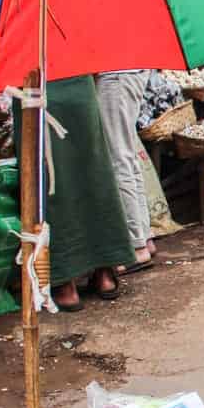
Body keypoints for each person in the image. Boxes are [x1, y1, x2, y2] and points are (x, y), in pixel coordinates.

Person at [15, 78, 133, 310]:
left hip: (35, 88)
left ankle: (65, 281)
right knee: (93, 170)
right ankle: (104, 272)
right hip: (80, 86)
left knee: (51, 177)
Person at [94, 70, 157, 274]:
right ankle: (144, 237)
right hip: (129, 72)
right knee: (127, 157)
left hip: (115, 75)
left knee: (118, 158)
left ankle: (136, 246)